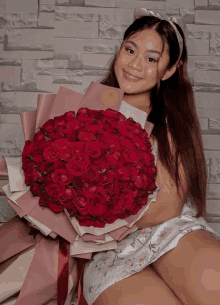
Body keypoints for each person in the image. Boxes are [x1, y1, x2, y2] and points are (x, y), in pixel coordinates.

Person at [80, 8, 220, 305]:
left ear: (168, 70)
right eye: (130, 50)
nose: (134, 64)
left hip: (167, 230)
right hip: (108, 250)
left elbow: (168, 206)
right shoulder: (84, 114)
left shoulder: (172, 120)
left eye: (151, 58)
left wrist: (97, 221)